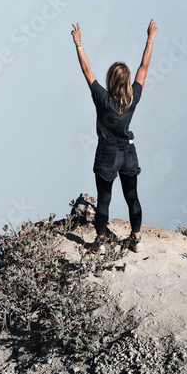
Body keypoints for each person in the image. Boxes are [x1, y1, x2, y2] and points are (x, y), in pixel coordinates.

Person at [71, 19, 157, 253]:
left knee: (104, 198)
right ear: (127, 81)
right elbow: (143, 68)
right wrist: (150, 39)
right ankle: (136, 239)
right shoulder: (132, 98)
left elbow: (87, 71)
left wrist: (78, 43)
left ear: (110, 79)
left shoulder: (102, 98)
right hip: (128, 151)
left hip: (107, 150)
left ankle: (100, 241)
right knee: (132, 197)